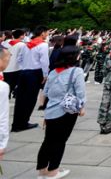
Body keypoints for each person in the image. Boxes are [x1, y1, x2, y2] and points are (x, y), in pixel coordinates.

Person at [36, 45, 86, 179]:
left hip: (51, 110)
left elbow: (46, 92)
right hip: (66, 111)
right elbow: (80, 92)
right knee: (60, 141)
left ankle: (42, 171)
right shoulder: (77, 71)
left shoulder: (53, 72)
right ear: (74, 57)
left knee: (48, 141)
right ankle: (53, 171)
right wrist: (82, 107)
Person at [13, 25, 50, 132]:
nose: (47, 34)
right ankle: (23, 123)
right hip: (35, 73)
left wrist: (25, 66)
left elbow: (19, 59)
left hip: (24, 72)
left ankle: (16, 123)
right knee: (30, 99)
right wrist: (45, 75)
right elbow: (44, 62)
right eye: (47, 32)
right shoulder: (43, 45)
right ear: (42, 33)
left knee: (20, 99)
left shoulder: (26, 44)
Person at [4, 29, 25, 99]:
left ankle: (7, 96)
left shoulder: (5, 43)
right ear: (21, 36)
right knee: (15, 84)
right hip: (16, 68)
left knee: (6, 84)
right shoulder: (22, 45)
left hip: (5, 67)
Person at [0, 46, 11, 165]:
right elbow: (2, 117)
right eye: (7, 58)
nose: (9, 60)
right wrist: (2, 143)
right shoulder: (2, 87)